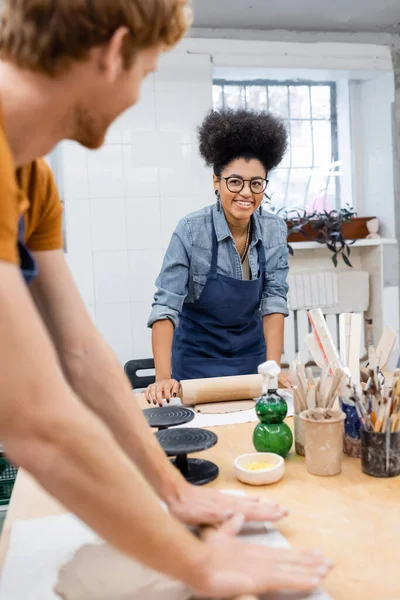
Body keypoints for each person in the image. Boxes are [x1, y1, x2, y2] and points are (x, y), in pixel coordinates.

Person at [0, 1, 332, 596]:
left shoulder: (32, 180)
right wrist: (198, 565)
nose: (138, 95)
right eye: (147, 72)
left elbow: (80, 354)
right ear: (113, 51)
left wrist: (175, 493)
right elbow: (37, 422)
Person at [147, 108, 292, 404]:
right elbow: (165, 306)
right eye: (234, 181)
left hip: (252, 367)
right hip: (195, 369)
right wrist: (163, 377)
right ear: (216, 182)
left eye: (256, 183)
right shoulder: (190, 230)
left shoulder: (274, 230)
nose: (246, 192)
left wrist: (273, 370)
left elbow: (274, 301)